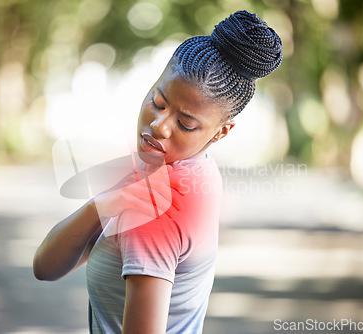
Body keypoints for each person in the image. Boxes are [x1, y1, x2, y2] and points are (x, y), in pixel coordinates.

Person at [33, 10, 282, 334]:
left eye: (185, 123)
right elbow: (47, 267)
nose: (158, 126)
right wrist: (103, 205)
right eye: (158, 101)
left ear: (221, 132)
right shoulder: (183, 168)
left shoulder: (159, 206)